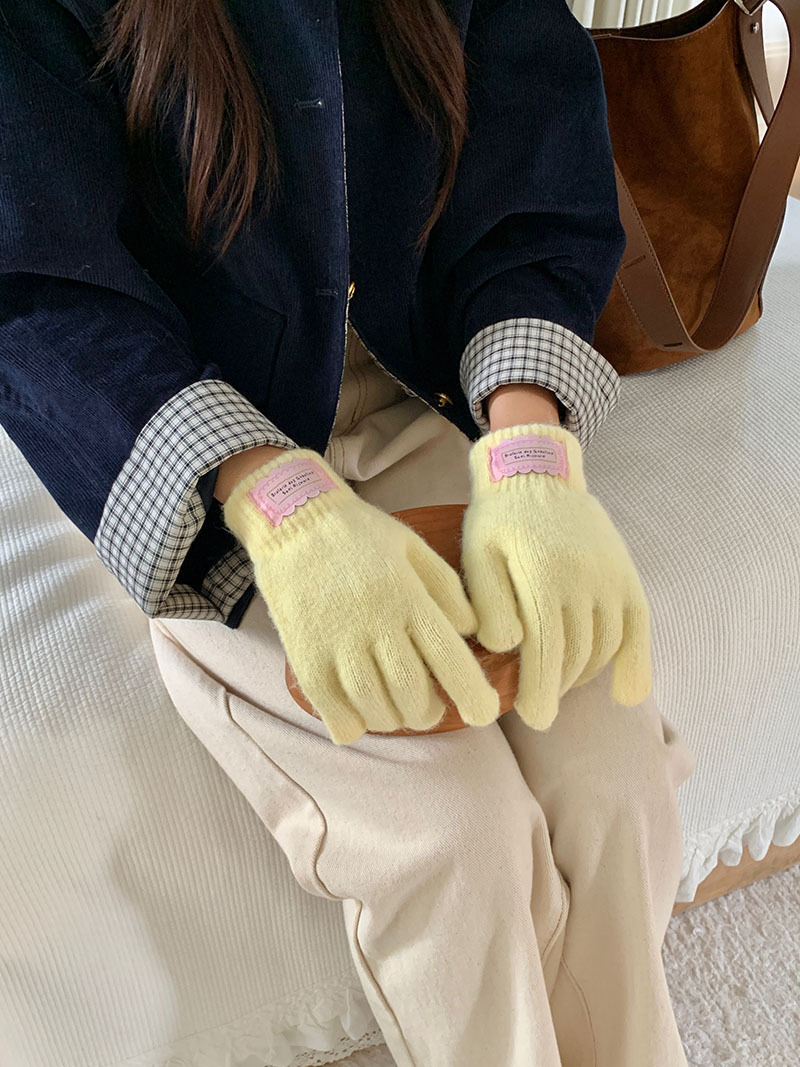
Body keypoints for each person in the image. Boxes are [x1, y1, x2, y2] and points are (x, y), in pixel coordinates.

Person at [0, 1, 697, 1064]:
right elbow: (42, 287)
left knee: (614, 777)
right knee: (452, 836)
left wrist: (530, 451)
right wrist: (280, 503)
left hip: (428, 383)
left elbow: (529, 163)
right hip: (200, 438)